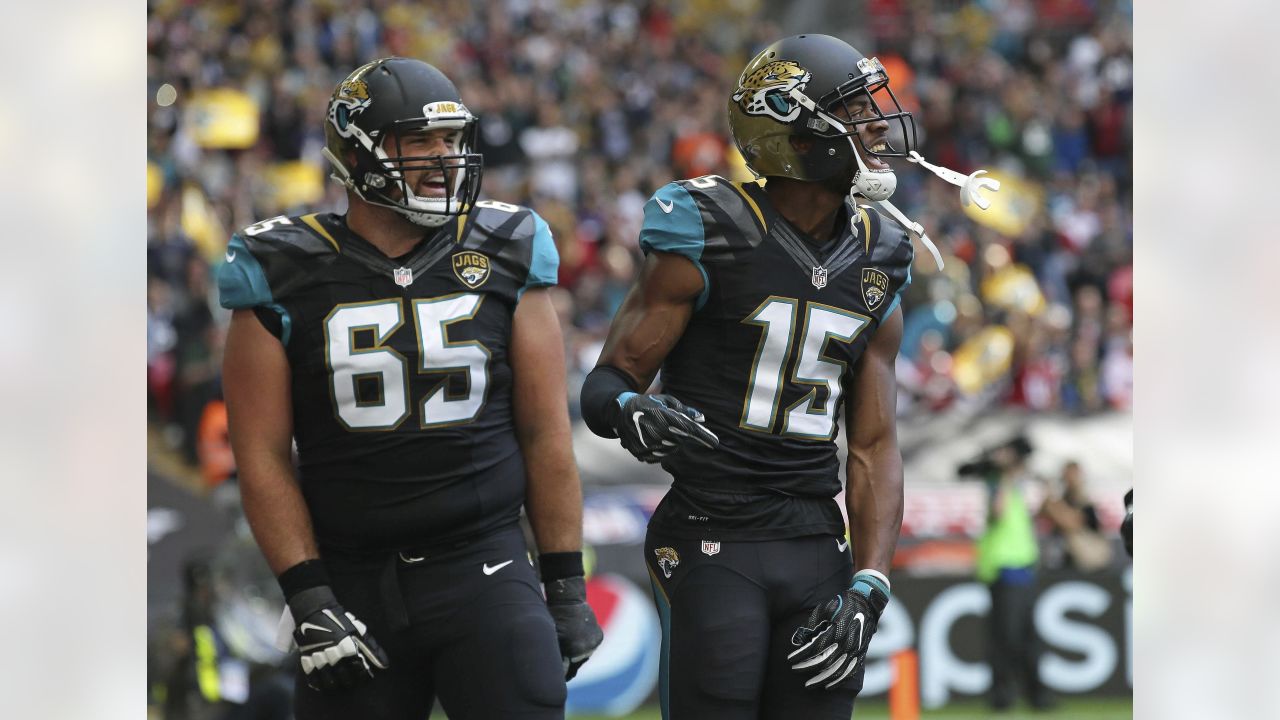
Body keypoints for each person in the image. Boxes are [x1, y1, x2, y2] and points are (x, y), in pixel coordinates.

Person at [217, 57, 602, 719]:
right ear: (358, 151)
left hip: (484, 567)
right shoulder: (280, 268)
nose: (442, 158)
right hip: (351, 580)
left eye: (450, 140)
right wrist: (309, 598)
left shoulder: (507, 246)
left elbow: (545, 433)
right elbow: (262, 454)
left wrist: (565, 585)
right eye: (418, 140)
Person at [580, 34, 914, 719]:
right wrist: (631, 412)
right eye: (855, 109)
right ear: (794, 129)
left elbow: (874, 445)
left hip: (817, 544)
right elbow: (608, 381)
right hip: (713, 534)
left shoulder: (882, 254)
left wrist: (872, 582)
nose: (878, 122)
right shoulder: (713, 230)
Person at [971, 437, 1054, 711]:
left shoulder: (1017, 486)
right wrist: (1007, 475)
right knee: (1006, 638)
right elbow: (997, 512)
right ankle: (1003, 697)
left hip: (1023, 569)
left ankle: (1035, 696)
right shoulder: (998, 482)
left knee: (1026, 638)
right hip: (1004, 569)